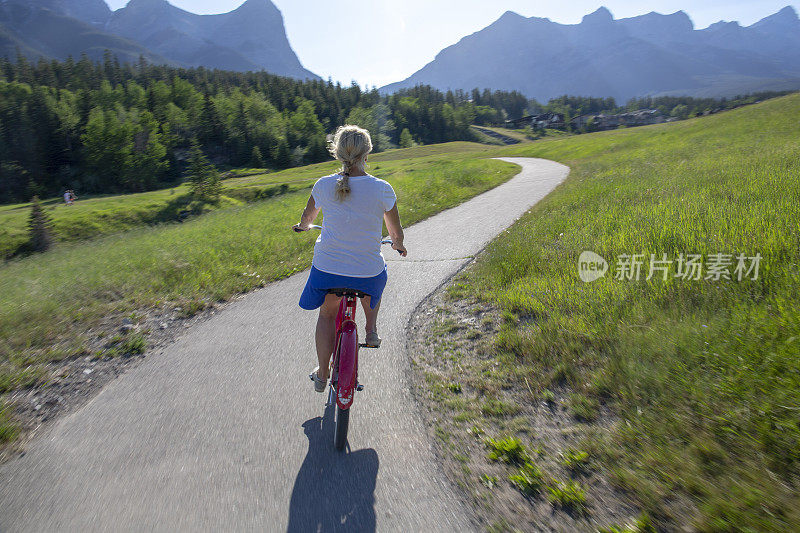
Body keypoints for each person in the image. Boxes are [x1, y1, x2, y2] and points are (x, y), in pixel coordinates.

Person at [293, 125, 407, 392]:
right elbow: (395, 232)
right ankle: (371, 330)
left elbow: (307, 219)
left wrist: (303, 227)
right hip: (367, 272)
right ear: (367, 154)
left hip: (328, 270)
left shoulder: (322, 185)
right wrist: (399, 246)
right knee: (375, 277)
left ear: (338, 153)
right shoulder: (382, 188)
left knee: (326, 315)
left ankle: (322, 373)